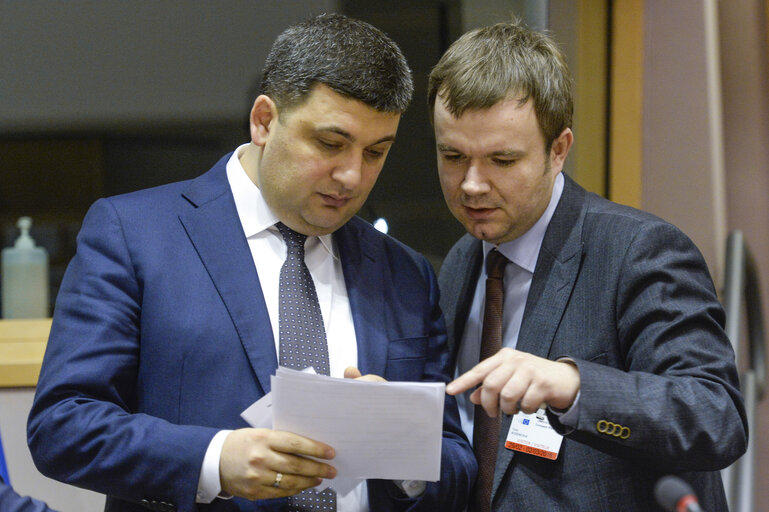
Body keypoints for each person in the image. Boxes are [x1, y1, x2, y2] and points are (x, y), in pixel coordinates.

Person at [27, 13, 475, 512]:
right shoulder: (135, 234)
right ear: (264, 121)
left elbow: (455, 463)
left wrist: (402, 448)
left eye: (376, 152)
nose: (352, 175)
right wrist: (214, 459)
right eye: (330, 144)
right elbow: (62, 426)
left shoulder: (405, 273)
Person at [429, 19, 748, 511]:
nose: (471, 184)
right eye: (453, 155)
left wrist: (575, 386)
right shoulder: (460, 262)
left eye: (502, 160)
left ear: (558, 151)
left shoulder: (638, 250)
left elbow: (715, 418)